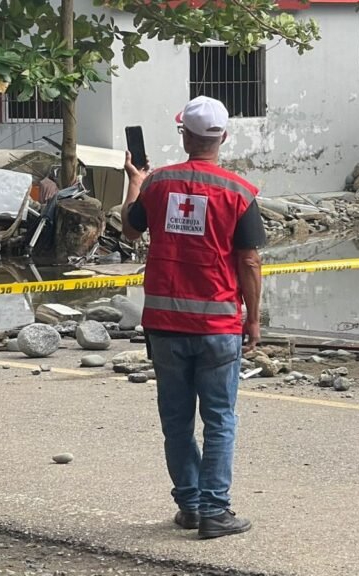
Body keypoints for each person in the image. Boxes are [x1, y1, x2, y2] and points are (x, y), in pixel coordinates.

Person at [122, 95, 266, 540]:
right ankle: (214, 511)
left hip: (164, 326)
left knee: (177, 421)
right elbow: (249, 261)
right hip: (218, 327)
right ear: (223, 137)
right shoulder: (239, 192)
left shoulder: (158, 184)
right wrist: (254, 318)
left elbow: (130, 229)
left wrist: (134, 183)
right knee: (219, 419)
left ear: (184, 135)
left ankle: (189, 505)